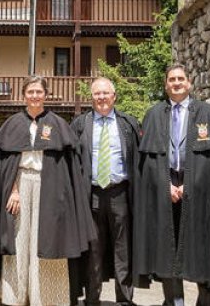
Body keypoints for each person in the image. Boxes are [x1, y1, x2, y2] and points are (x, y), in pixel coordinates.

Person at [0, 76, 94, 306]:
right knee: (19, 240)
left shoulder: (58, 123)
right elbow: (7, 164)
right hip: (20, 185)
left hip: (50, 187)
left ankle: (47, 298)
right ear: (24, 95)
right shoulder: (13, 123)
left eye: (39, 92)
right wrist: (13, 190)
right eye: (30, 92)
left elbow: (67, 167)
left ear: (45, 95)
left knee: (48, 239)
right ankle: (16, 297)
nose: (35, 96)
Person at [133, 65, 210, 306]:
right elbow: (147, 160)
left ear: (189, 83)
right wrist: (166, 185)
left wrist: (189, 185)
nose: (176, 83)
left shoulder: (207, 112)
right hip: (166, 189)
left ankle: (206, 302)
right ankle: (174, 302)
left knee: (203, 249)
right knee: (167, 251)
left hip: (201, 192)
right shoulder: (153, 114)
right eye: (171, 79)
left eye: (181, 78)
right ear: (165, 85)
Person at [68, 78, 141, 306]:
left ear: (114, 96)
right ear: (92, 98)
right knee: (93, 250)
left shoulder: (127, 123)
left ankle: (124, 300)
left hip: (120, 193)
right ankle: (92, 299)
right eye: (97, 94)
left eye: (105, 93)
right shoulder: (80, 124)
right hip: (91, 194)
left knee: (123, 248)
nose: (101, 98)